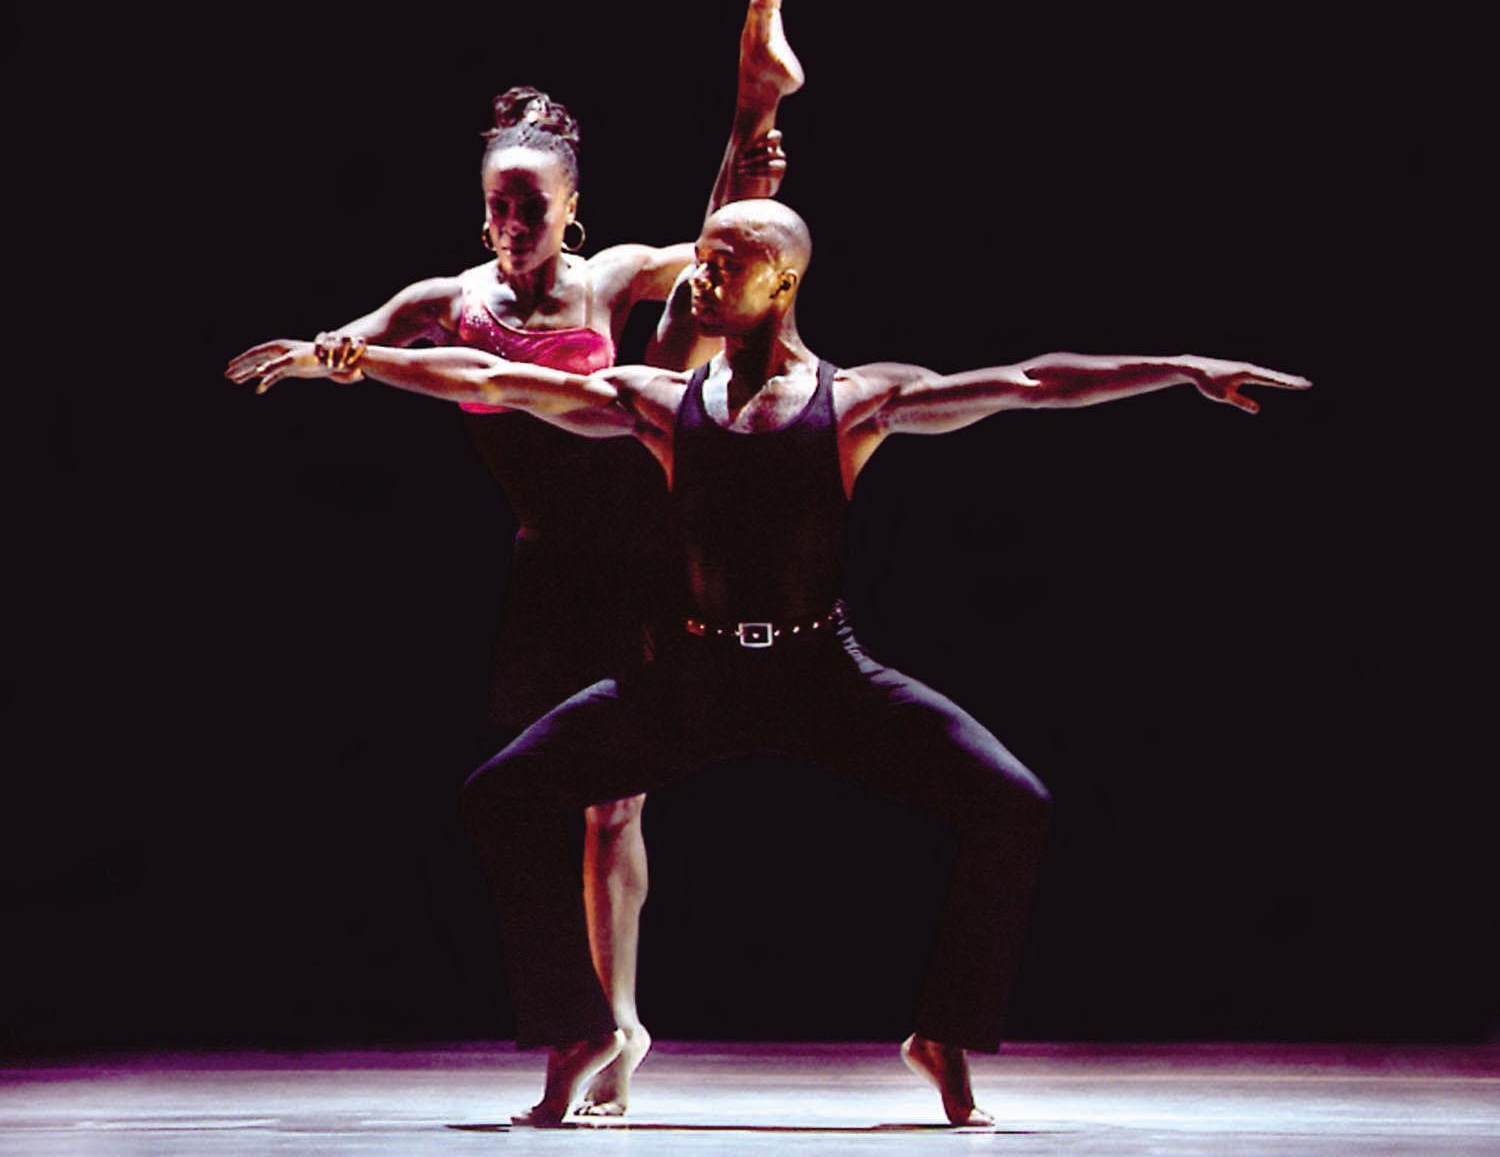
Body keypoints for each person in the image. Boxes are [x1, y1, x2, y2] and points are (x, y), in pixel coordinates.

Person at [234, 198, 1310, 1125]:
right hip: (693, 682)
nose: (699, 280)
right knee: (501, 798)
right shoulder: (660, 404)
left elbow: (1027, 382)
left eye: (725, 264)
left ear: (782, 279)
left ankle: (944, 1034)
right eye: (699, 259)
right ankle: (580, 1034)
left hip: (822, 676)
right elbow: (493, 378)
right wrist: (356, 359)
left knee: (1012, 803)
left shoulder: (857, 402)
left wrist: (1180, 369)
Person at [226, 0, 805, 1116]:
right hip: (548, 575)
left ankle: (756, 108)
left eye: (531, 207)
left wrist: (741, 192)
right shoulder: (452, 299)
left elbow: (706, 252)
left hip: (646, 555)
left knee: (617, 806)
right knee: (547, 806)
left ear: (572, 201)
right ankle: (594, 1028)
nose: (511, 226)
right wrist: (315, 351)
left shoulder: (611, 280)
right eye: (496, 205)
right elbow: (357, 340)